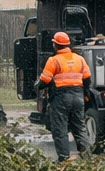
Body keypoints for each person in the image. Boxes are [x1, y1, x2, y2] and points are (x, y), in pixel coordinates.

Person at [37, 31, 93, 162]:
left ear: (55, 45)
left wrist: (37, 87)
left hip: (61, 98)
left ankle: (64, 159)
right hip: (78, 97)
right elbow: (87, 79)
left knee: (60, 129)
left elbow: (44, 81)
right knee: (79, 128)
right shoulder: (79, 59)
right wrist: (85, 93)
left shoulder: (53, 60)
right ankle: (88, 158)